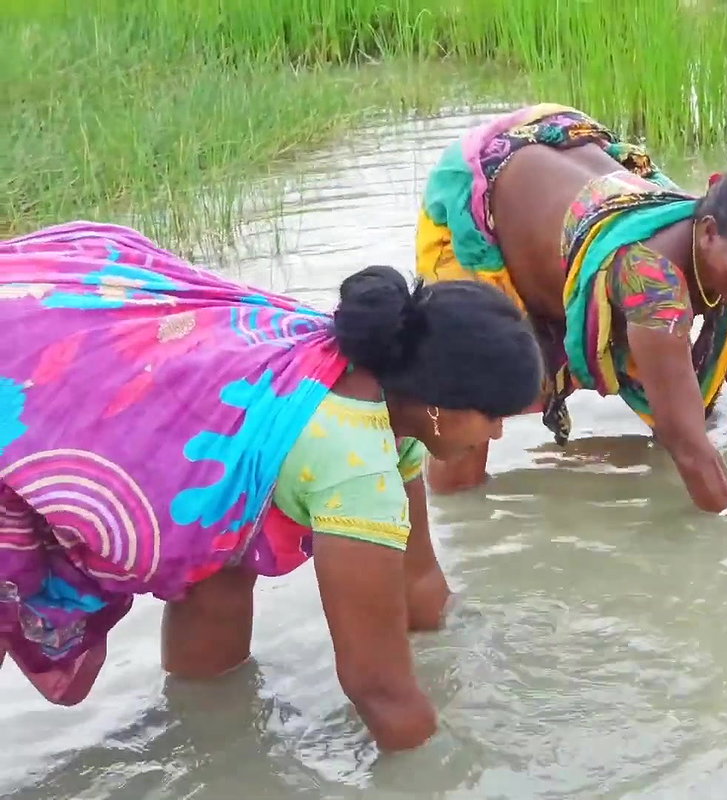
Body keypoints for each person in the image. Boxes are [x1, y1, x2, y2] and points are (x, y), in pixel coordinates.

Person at [0, 221, 542, 751]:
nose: (496, 433)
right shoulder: (357, 472)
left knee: (223, 569)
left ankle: (205, 742)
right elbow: (376, 686)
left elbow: (418, 581)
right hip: (21, 391)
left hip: (99, 361)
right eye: (493, 415)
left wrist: (479, 644)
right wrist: (451, 771)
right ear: (440, 404)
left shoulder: (378, 380)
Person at [415, 103, 727, 514]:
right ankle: (452, 520)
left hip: (565, 153)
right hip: (488, 191)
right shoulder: (652, 283)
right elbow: (689, 446)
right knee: (466, 419)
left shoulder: (723, 254)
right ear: (710, 232)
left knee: (691, 410)